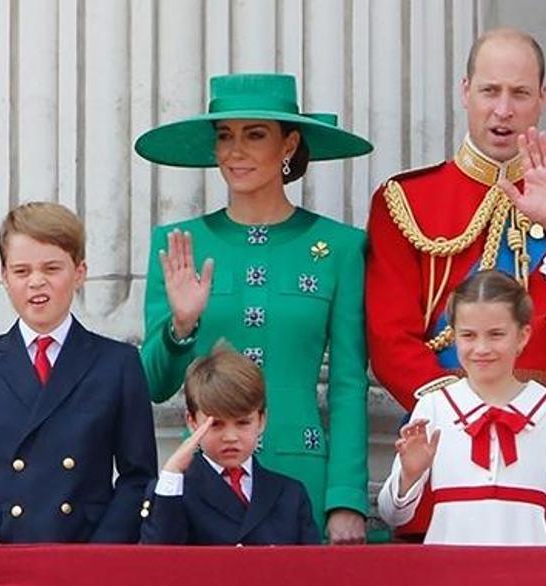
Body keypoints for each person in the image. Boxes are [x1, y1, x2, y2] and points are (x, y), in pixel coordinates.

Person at [366, 27, 546, 542]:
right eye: (489, 91)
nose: (503, 110)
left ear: (542, 97)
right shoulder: (406, 200)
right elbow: (389, 342)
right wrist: (467, 412)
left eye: (519, 93)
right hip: (450, 447)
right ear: (465, 91)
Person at [135, 73, 372, 543]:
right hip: (204, 482)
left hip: (301, 473)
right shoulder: (179, 244)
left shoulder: (340, 247)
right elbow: (153, 386)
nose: (235, 151)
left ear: (290, 144)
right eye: (225, 136)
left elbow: (349, 384)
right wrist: (182, 325)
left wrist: (346, 498)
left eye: (255, 135)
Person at [0, 202, 157, 545]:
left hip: (85, 552)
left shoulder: (117, 363)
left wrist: (101, 552)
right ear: (5, 277)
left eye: (51, 268)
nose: (36, 282)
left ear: (79, 272)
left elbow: (138, 477)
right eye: (21, 271)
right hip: (2, 551)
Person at [377, 271, 546, 545]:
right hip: (449, 566)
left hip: (528, 566)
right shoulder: (434, 406)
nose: (482, 348)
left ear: (522, 336)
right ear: (454, 336)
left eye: (496, 334)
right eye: (468, 335)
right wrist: (410, 475)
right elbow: (392, 514)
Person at [140, 343, 320, 545]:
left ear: (261, 420)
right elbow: (159, 556)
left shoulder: (290, 494)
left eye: (243, 423)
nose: (230, 437)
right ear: (192, 421)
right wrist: (172, 473)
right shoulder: (174, 490)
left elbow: (310, 562)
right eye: (215, 424)